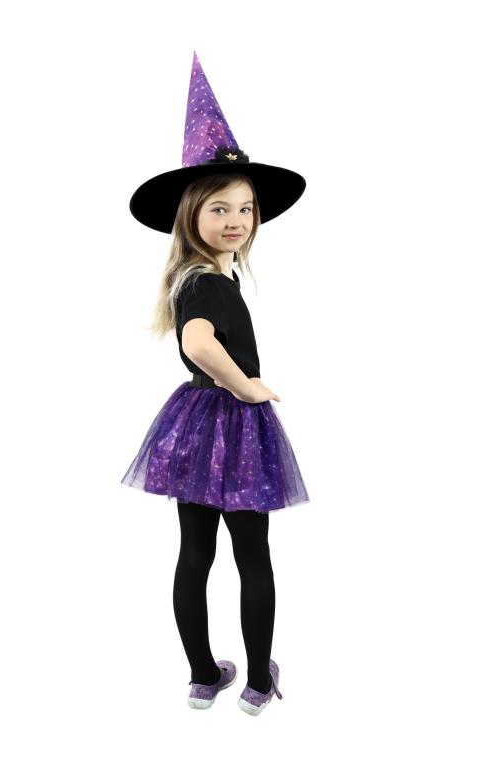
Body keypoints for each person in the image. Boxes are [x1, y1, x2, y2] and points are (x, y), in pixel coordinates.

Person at [120, 51, 310, 716]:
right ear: (190, 216)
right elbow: (198, 343)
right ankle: (256, 682)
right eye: (219, 209)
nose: (236, 221)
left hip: (197, 428)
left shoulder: (198, 276)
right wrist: (248, 387)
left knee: (195, 552)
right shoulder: (207, 281)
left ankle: (204, 676)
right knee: (252, 555)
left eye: (246, 209)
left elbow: (196, 343)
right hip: (233, 424)